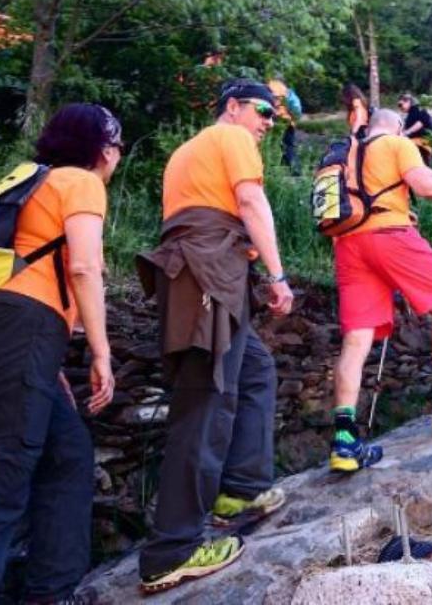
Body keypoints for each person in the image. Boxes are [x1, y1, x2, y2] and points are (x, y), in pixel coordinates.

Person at [0, 104, 121, 604]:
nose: (117, 158)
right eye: (118, 148)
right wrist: (100, 353)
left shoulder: (39, 183)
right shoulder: (81, 182)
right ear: (104, 150)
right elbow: (83, 267)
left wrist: (48, 360)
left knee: (67, 451)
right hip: (19, 330)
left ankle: (51, 591)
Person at [137, 79, 294, 594]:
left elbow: (202, 215)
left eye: (272, 116)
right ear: (233, 107)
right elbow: (250, 200)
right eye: (262, 111)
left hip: (199, 270)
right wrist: (277, 275)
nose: (268, 122)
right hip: (208, 274)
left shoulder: (188, 151)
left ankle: (241, 490)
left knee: (254, 369)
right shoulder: (231, 137)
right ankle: (172, 550)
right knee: (205, 402)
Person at [328, 109, 432, 472]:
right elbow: (428, 187)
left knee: (356, 339)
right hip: (390, 236)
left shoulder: (347, 151)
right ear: (398, 126)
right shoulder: (397, 143)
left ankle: (344, 441)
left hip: (349, 245)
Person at [397, 93, 432, 164]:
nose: (400, 108)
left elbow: (420, 123)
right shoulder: (411, 113)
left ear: (408, 101)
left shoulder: (418, 110)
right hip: (417, 142)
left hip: (421, 142)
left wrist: (406, 133)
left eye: (400, 105)